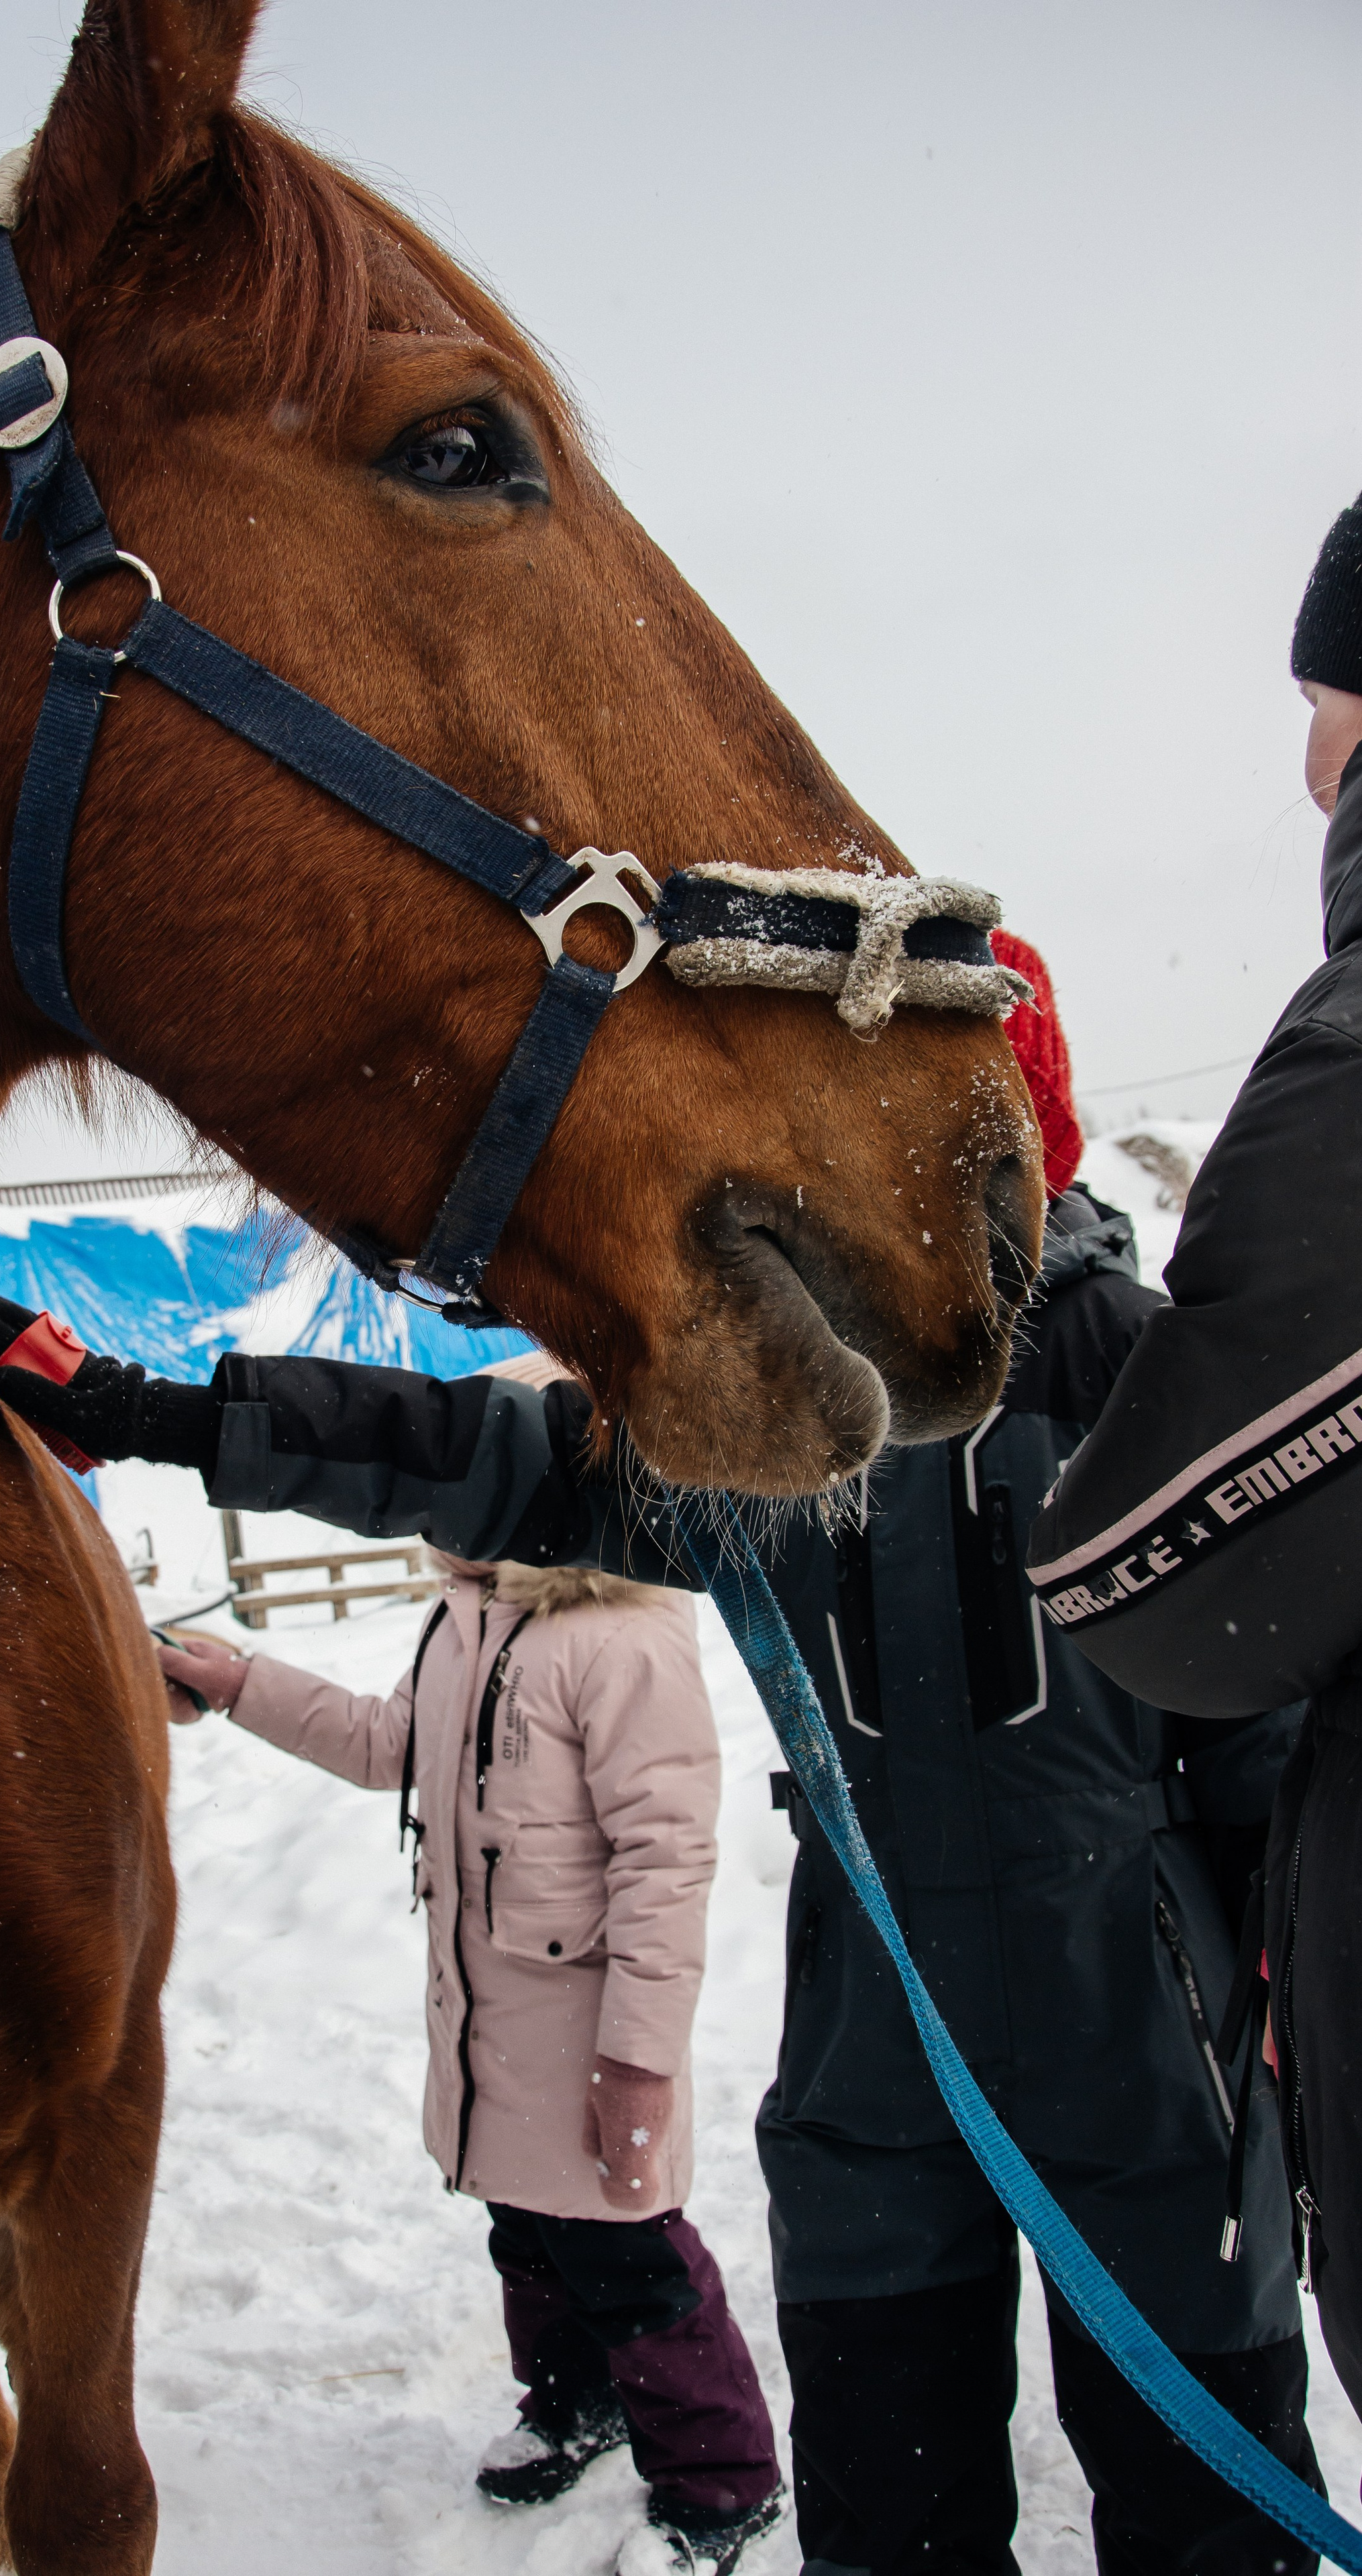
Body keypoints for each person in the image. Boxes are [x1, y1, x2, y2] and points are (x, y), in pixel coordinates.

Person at [755, 934, 1322, 2575]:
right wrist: (177, 1413)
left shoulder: (1149, 1368)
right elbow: (510, 1462)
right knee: (885, 2523)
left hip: (1147, 2058)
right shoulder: (790, 1402)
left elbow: (1267, 1722)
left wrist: (1276, 1995)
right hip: (877, 2065)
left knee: (1206, 2522)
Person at [156, 1508, 784, 2576]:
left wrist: (635, 2065)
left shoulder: (624, 1634)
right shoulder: (463, 1617)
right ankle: (575, 2406)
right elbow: (384, 1744)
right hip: (484, 2017)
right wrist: (239, 1682)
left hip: (587, 2029)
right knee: (526, 2231)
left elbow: (665, 1864)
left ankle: (723, 2483)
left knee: (630, 2256)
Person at [1017, 499, 1362, 2432]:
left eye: (1328, 697)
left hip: (1155, 2071)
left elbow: (1193, 1594)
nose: (1311, 754)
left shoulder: (1352, 1054)